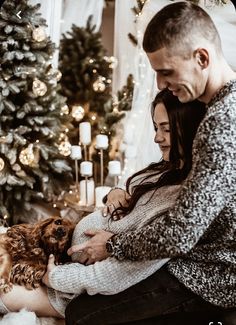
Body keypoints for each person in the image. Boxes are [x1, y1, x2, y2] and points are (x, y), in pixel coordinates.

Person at [65, 2, 236, 324]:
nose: (160, 84)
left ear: (202, 58)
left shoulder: (222, 122)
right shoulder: (219, 109)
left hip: (212, 272)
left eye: (166, 72)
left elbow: (181, 233)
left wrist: (113, 245)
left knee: (83, 315)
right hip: (199, 257)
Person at [0, 89, 206, 320]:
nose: (157, 138)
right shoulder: (164, 170)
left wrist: (55, 277)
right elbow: (128, 189)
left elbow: (118, 273)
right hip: (57, 257)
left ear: (190, 128)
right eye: (156, 128)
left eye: (166, 129)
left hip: (69, 286)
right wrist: (116, 192)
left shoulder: (185, 202)